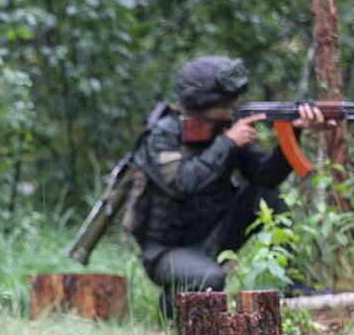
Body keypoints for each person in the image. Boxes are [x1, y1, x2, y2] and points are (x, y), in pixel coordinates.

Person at [131, 56, 331, 315]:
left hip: (215, 235)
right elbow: (181, 183)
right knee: (211, 280)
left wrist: (293, 132)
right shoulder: (163, 134)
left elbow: (266, 177)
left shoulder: (225, 129)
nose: (234, 104)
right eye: (228, 100)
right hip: (166, 251)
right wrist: (227, 143)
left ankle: (289, 282)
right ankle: (170, 304)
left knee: (263, 197)